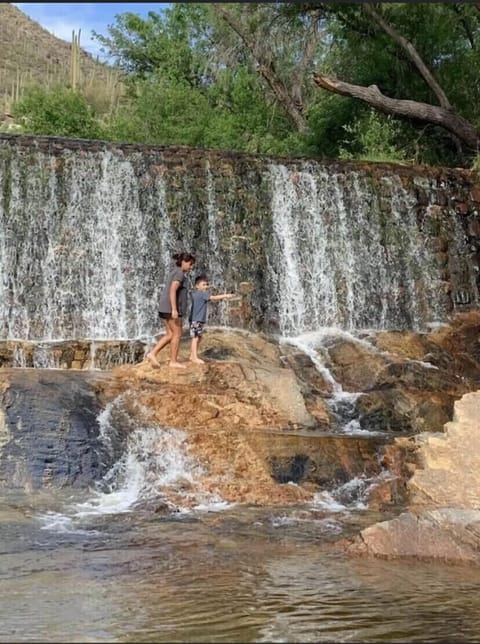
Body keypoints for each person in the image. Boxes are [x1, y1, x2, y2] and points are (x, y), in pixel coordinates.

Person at [146, 251, 195, 369]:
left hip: (164, 307)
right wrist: (174, 309)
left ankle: (152, 353)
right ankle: (173, 361)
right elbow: (173, 290)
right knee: (177, 333)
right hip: (170, 308)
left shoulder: (174, 271)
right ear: (183, 262)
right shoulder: (179, 274)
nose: (191, 267)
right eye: (190, 264)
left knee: (170, 334)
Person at [189, 274, 237, 364]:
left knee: (199, 337)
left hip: (196, 319)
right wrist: (226, 295)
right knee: (195, 338)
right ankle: (194, 357)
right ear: (197, 286)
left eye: (207, 285)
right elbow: (214, 298)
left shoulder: (195, 294)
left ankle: (192, 355)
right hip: (197, 319)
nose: (206, 286)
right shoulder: (202, 294)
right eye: (203, 285)